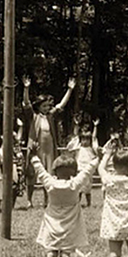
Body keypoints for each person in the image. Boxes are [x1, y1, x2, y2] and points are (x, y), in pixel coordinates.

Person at [29, 146, 100, 257]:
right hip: (69, 225)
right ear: (74, 171)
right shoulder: (75, 184)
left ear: (55, 171)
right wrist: (98, 158)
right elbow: (88, 171)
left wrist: (34, 156)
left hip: (51, 224)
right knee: (65, 254)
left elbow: (40, 170)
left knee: (51, 253)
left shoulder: (50, 183)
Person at [22, 76, 76, 208]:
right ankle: (29, 200)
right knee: (32, 174)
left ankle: (47, 200)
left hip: (50, 149)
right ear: (39, 106)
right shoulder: (33, 116)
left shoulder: (51, 116)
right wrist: (26, 88)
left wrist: (70, 90)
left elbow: (61, 104)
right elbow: (26, 102)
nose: (46, 108)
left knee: (49, 175)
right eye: (44, 106)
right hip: (36, 148)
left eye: (47, 106)